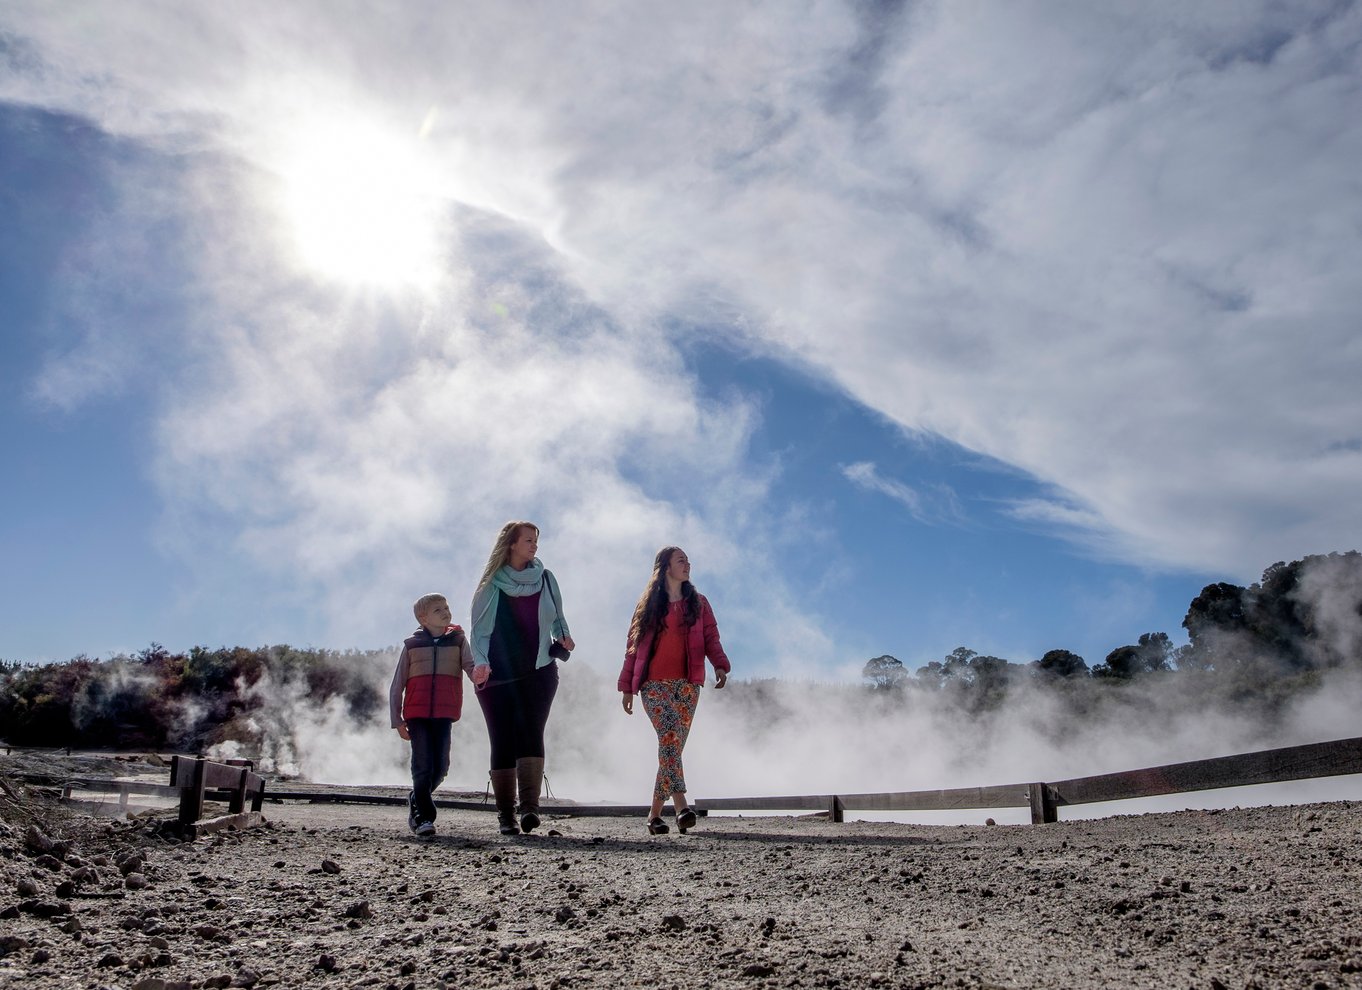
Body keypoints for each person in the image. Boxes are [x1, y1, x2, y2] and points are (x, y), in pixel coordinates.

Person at [470, 521, 575, 835]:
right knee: (502, 739)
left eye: (536, 541)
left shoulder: (545, 578)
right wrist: (481, 664)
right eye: (529, 540)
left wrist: (564, 637)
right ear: (512, 544)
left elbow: (557, 617)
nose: (534, 546)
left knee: (531, 733)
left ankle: (529, 809)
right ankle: (506, 816)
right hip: (497, 676)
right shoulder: (491, 584)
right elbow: (479, 631)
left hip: (539, 671)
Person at [618, 546, 730, 835]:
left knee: (672, 749)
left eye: (688, 561)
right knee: (669, 735)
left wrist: (719, 665)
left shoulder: (699, 603)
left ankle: (654, 816)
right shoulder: (648, 605)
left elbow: (711, 638)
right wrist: (627, 688)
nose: (687, 564)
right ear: (666, 567)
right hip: (653, 684)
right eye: (681, 560)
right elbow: (632, 650)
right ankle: (682, 807)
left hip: (688, 685)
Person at [389, 593, 488, 837]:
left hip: (444, 713)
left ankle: (415, 797)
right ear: (423, 618)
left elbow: (469, 666)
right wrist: (397, 720)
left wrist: (479, 675)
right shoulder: (412, 645)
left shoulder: (457, 640)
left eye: (446, 607)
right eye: (437, 610)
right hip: (417, 714)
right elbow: (397, 684)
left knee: (441, 766)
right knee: (422, 765)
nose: (445, 612)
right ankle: (424, 817)